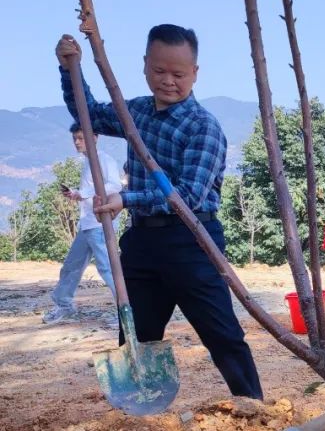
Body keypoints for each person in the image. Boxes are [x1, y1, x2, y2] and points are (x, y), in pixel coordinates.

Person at [55, 24, 263, 400]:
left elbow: (189, 196)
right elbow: (86, 112)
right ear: (145, 67)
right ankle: (138, 414)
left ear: (195, 73)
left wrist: (127, 198)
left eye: (179, 74)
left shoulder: (204, 128)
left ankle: (254, 407)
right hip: (143, 243)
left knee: (223, 335)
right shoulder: (133, 111)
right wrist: (71, 68)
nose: (168, 81)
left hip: (192, 241)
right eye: (159, 71)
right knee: (135, 333)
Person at [42, 124, 124, 325]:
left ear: (94, 137)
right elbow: (91, 190)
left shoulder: (104, 159)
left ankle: (126, 313)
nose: (77, 142)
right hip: (87, 223)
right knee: (72, 266)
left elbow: (115, 185)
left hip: (100, 224)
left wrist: (84, 193)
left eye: (81, 138)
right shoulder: (88, 162)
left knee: (108, 268)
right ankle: (64, 305)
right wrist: (77, 194)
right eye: (75, 139)